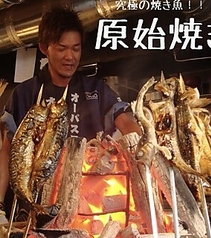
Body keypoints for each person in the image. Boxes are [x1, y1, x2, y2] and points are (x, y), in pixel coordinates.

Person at [0, 7, 141, 224]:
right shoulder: (24, 94)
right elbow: (7, 154)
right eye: (62, 48)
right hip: (36, 212)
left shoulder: (96, 90)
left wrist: (144, 145)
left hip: (90, 210)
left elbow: (126, 123)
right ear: (44, 48)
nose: (70, 56)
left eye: (76, 49)